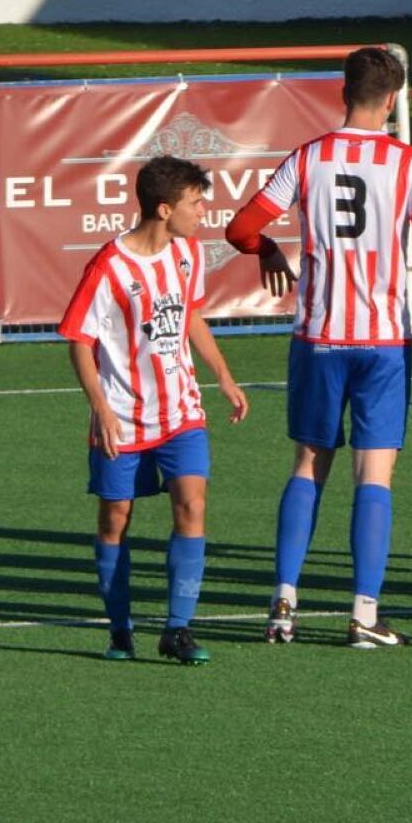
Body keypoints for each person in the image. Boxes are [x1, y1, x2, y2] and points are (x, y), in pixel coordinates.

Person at [225, 46, 412, 648]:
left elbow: (240, 229)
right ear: (395, 99)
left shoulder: (309, 158)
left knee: (307, 465)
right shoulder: (408, 164)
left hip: (320, 336)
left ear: (342, 92)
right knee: (373, 474)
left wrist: (270, 249)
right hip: (381, 341)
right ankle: (364, 615)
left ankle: (283, 605)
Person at [59, 156, 249, 665]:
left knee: (192, 501)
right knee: (115, 519)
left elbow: (190, 317)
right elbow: (79, 340)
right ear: (164, 208)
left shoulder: (188, 253)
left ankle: (178, 629)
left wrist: (223, 375)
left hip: (181, 410)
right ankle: (120, 628)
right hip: (123, 415)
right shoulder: (109, 266)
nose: (203, 211)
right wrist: (100, 407)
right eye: (195, 202)